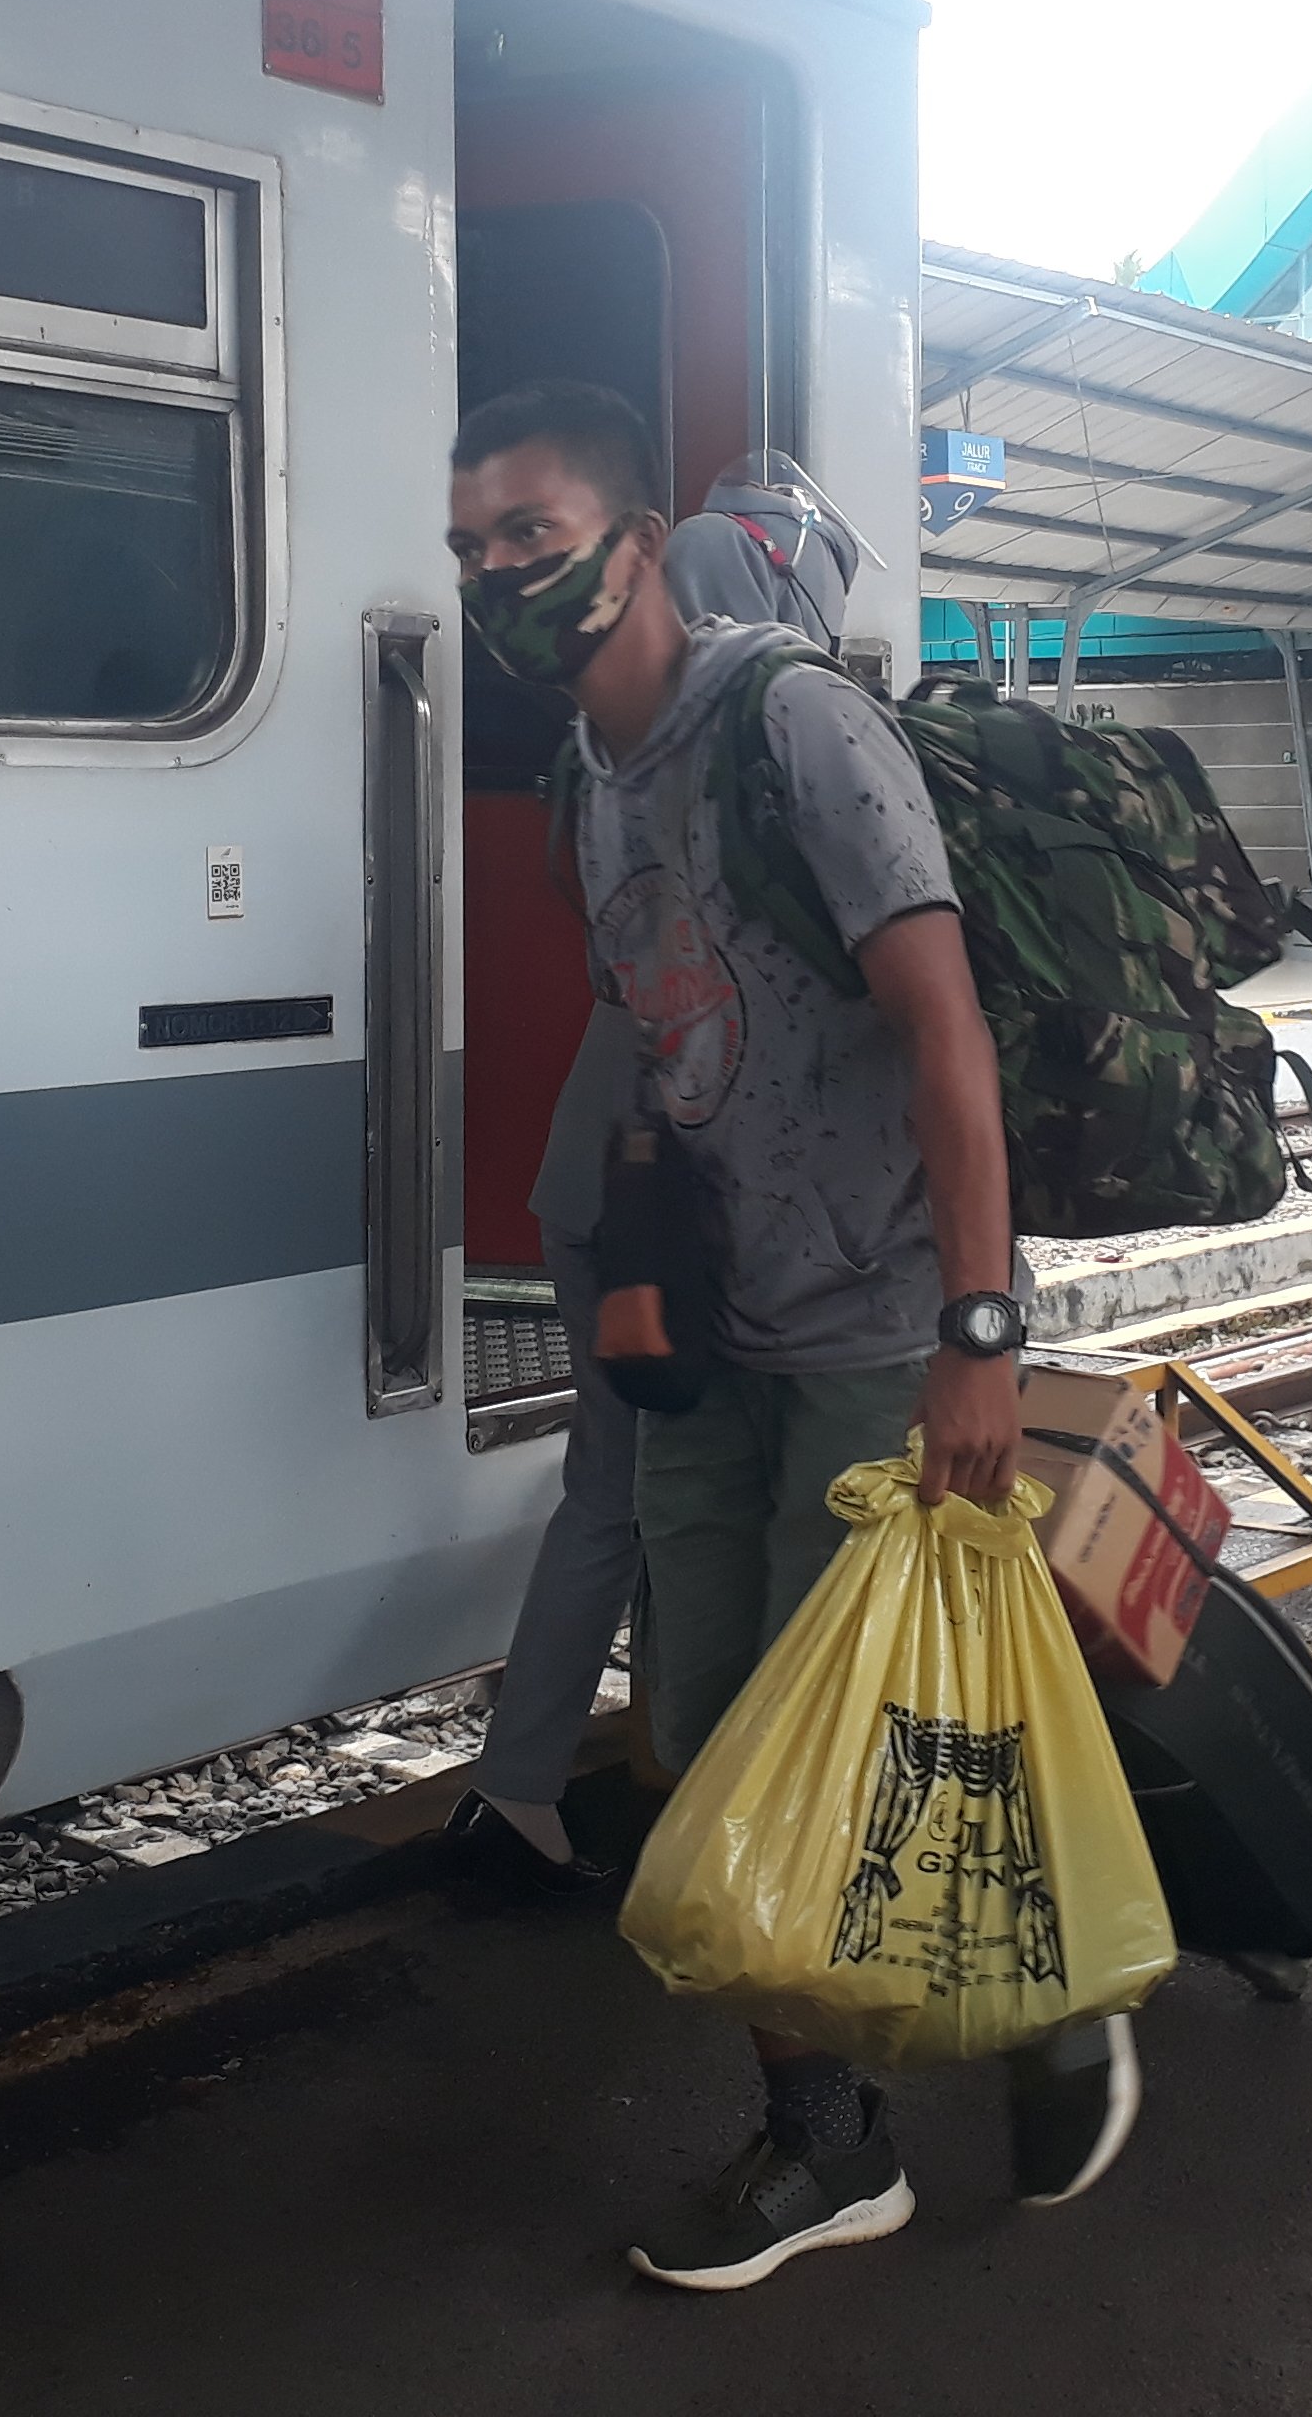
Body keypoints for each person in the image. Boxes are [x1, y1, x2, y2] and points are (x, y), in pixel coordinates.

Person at [444, 381, 1135, 2289]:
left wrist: (976, 1331)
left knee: (883, 1732)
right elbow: (665, 1041)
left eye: (529, 535)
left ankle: (1030, 2015)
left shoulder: (791, 722)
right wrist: (639, 1252)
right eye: (472, 547)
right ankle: (838, 2143)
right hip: (716, 1330)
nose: (498, 574)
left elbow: (942, 1029)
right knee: (716, 1745)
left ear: (634, 543)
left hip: (869, 1321)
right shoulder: (589, 771)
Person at [445, 457, 874, 1902]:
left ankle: (569, 1779)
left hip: (609, 1187)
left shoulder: (611, 752)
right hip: (677, 1207)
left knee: (621, 1491)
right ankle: (563, 1805)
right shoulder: (755, 752)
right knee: (646, 1496)